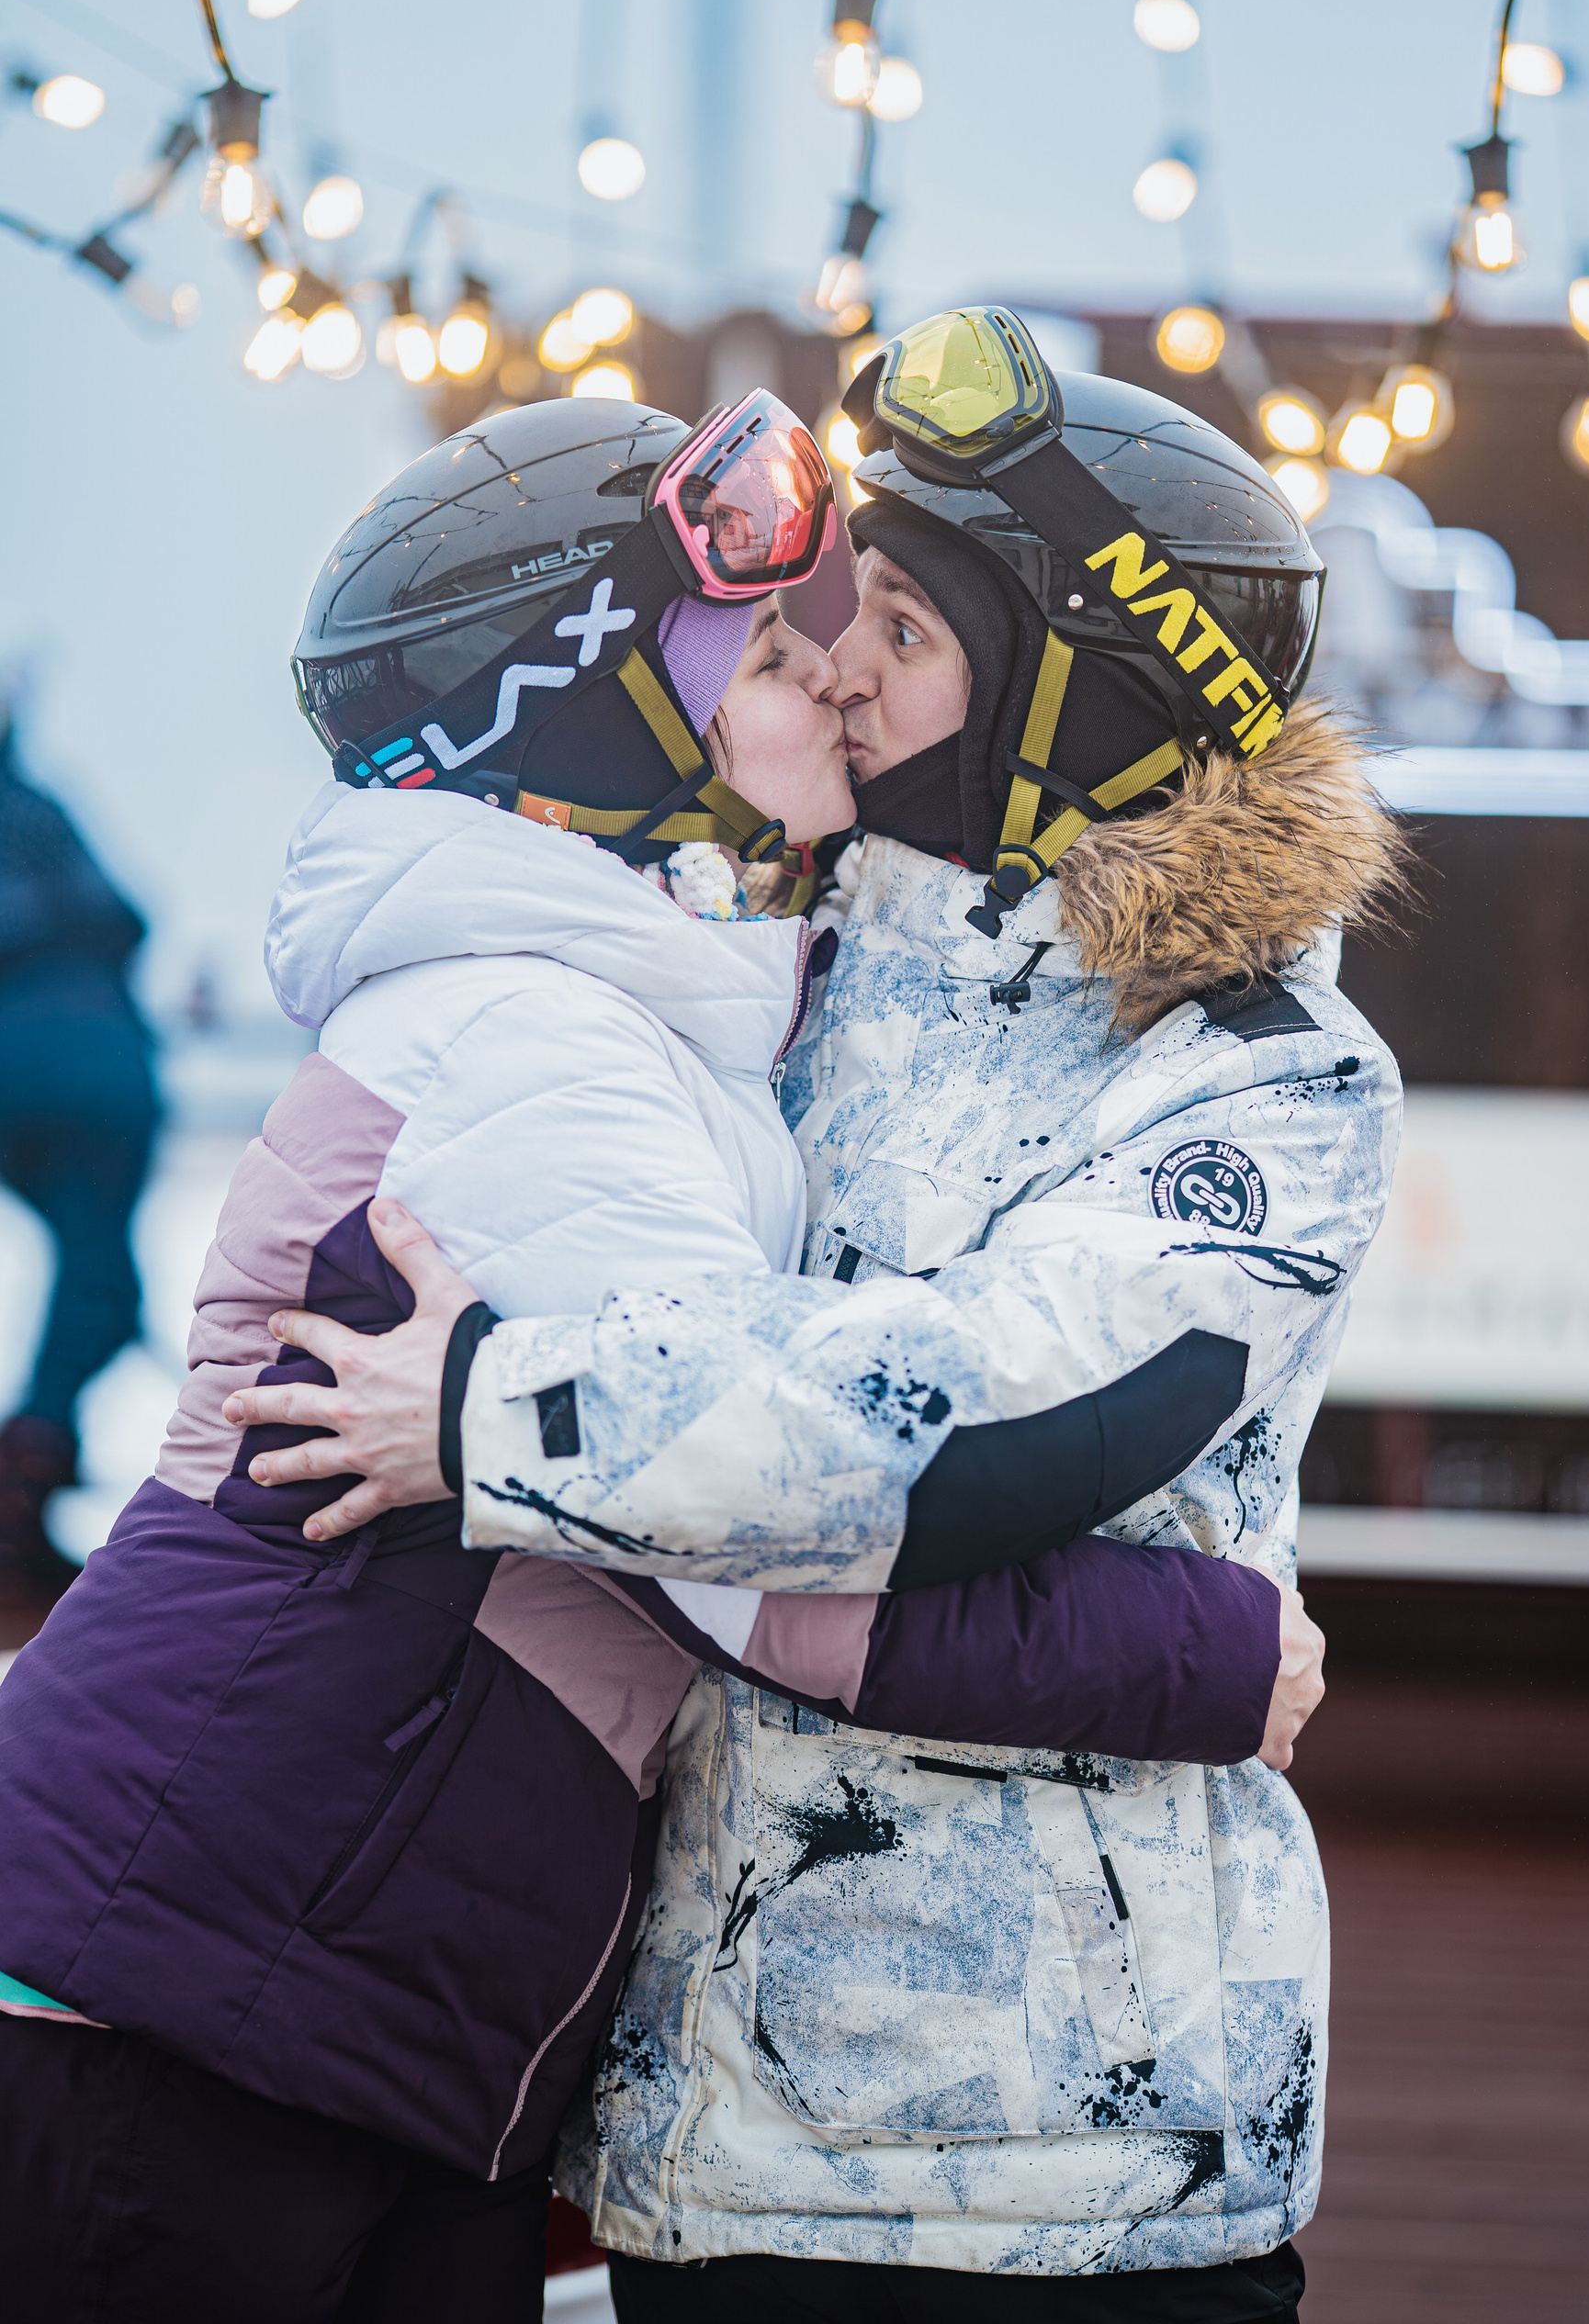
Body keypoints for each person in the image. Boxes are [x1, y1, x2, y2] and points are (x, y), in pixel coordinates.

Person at [0, 387, 1306, 2324]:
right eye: (766, 657)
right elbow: (749, 1545)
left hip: (336, 1990)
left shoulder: (633, 1026)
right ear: (607, 735)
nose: (832, 674)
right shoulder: (539, 1048)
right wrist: (1213, 1652)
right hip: (193, 1986)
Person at [0, 716, 159, 1591]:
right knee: (99, 1283)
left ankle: (27, 1482)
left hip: (28, 1068)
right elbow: (124, 919)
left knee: (95, 1281)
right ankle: (24, 1484)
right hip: (96, 1068)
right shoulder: (37, 810)